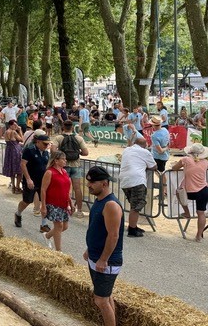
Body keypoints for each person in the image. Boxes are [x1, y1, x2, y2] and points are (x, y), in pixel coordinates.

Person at [84, 166, 124, 326]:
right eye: (89, 182)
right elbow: (97, 229)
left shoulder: (111, 205)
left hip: (107, 261)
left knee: (100, 300)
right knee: (106, 297)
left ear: (105, 183)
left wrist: (103, 259)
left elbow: (113, 235)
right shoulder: (100, 201)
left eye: (93, 182)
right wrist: (90, 249)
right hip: (96, 257)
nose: (89, 185)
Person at [119, 137, 156, 237]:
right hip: (137, 180)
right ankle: (132, 230)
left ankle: (133, 225)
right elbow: (154, 166)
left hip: (124, 180)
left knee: (133, 204)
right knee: (136, 206)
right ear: (145, 145)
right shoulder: (145, 152)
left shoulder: (126, 149)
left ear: (134, 143)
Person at [51, 120, 89, 218]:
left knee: (64, 188)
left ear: (63, 127)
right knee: (77, 188)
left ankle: (65, 207)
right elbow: (85, 152)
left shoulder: (59, 138)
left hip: (64, 166)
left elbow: (53, 151)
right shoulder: (78, 138)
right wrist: (78, 153)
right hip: (76, 165)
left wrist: (61, 155)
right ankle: (79, 211)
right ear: (72, 127)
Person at [14, 134, 51, 232]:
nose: (46, 146)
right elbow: (23, 164)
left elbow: (46, 166)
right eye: (44, 144)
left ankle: (44, 224)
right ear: (38, 142)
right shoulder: (29, 150)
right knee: (27, 201)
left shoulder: (46, 153)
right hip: (31, 180)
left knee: (44, 201)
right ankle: (18, 213)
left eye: (47, 144)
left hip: (42, 181)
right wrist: (28, 179)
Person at [172, 143, 208, 242]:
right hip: (203, 189)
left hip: (190, 190)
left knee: (178, 192)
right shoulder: (205, 162)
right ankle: (198, 236)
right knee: (201, 213)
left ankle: (187, 212)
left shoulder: (186, 160)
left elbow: (174, 168)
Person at [40, 151, 73, 251]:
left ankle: (47, 236)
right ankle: (58, 251)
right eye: (63, 159)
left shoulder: (64, 172)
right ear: (56, 160)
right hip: (53, 203)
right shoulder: (49, 172)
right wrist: (43, 206)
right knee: (58, 226)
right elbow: (43, 189)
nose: (65, 160)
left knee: (65, 226)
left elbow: (68, 187)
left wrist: (70, 202)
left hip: (64, 202)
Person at [3, 120, 23, 194]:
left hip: (9, 151)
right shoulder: (13, 132)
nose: (16, 126)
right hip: (15, 151)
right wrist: (20, 130)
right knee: (19, 170)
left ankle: (13, 186)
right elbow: (22, 139)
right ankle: (17, 187)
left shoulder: (6, 132)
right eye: (14, 125)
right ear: (10, 125)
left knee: (11, 169)